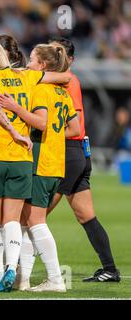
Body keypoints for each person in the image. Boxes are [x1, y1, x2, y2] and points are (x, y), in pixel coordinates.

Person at [0, 37, 72, 292]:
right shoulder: (28, 78)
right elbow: (65, 78)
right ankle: (12, 270)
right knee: (14, 221)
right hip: (23, 158)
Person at [0, 43, 80, 292]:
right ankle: (24, 279)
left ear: (42, 65)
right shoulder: (63, 94)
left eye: (31, 60)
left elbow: (41, 123)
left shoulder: (41, 90)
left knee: (36, 221)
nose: (28, 64)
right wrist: (55, 136)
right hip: (55, 163)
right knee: (27, 221)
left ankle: (55, 278)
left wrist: (15, 108)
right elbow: (74, 129)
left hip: (41, 163)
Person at [47, 37, 120, 282]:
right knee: (86, 215)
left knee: (34, 215)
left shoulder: (69, 81)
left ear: (70, 59)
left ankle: (21, 270)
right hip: (78, 153)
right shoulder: (59, 80)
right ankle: (110, 269)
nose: (54, 55)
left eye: (58, 52)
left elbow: (75, 127)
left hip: (69, 152)